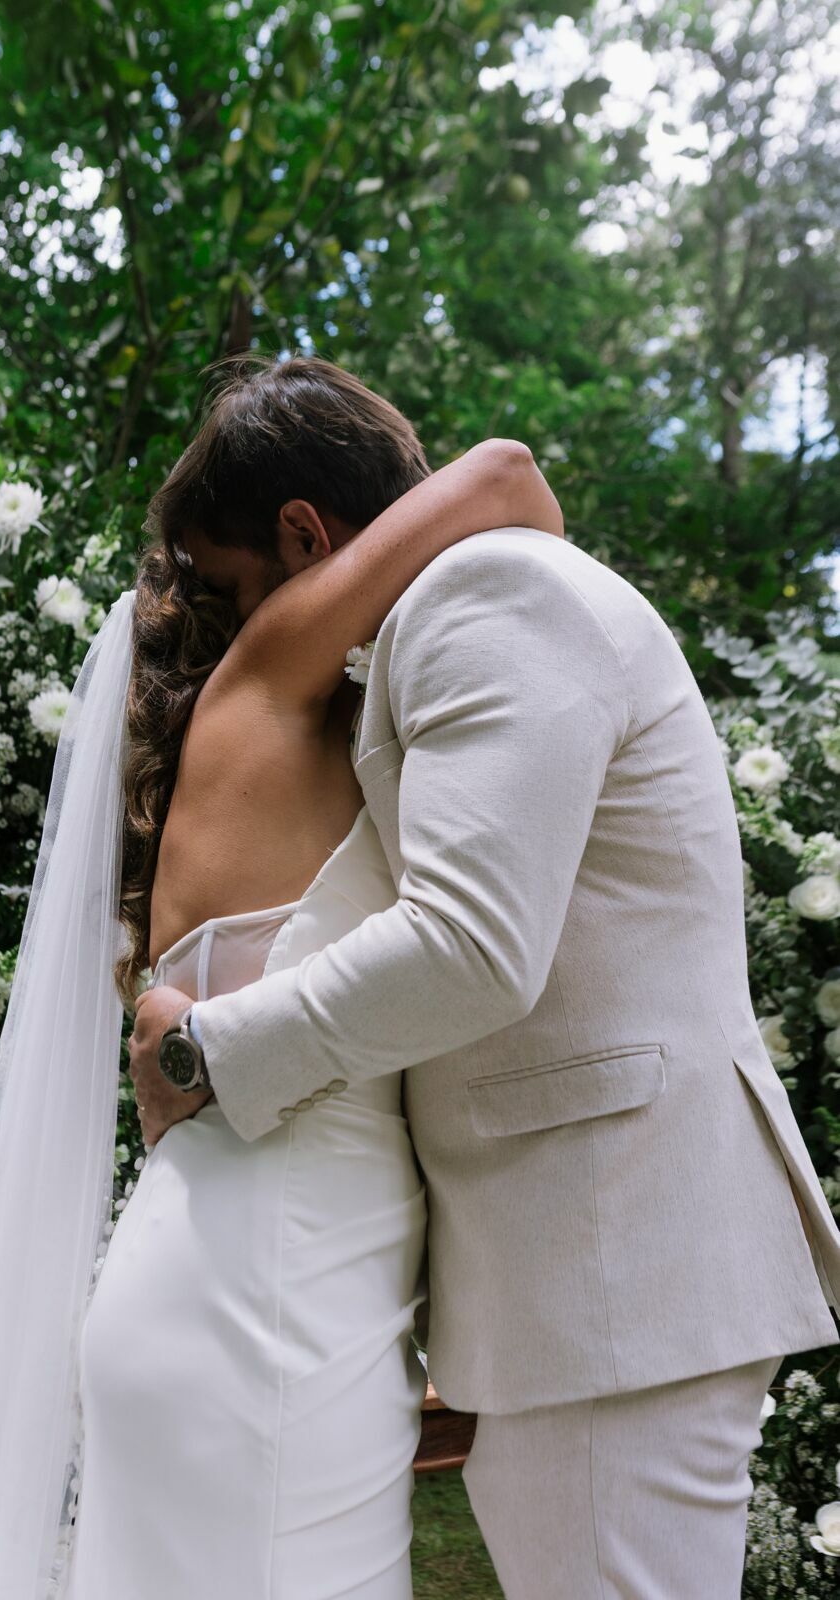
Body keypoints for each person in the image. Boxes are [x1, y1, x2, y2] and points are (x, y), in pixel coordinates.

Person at [132, 354, 840, 1599]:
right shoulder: (469, 600)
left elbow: (471, 945)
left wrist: (206, 1051)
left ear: (305, 532)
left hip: (621, 1260)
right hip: (586, 1273)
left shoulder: (487, 593)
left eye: (238, 591)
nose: (245, 634)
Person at [60, 361, 565, 1600]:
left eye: (221, 583)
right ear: (309, 537)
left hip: (250, 1279)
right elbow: (508, 477)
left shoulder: (318, 727)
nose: (223, 617)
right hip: (263, 1301)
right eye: (230, 589)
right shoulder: (268, 678)